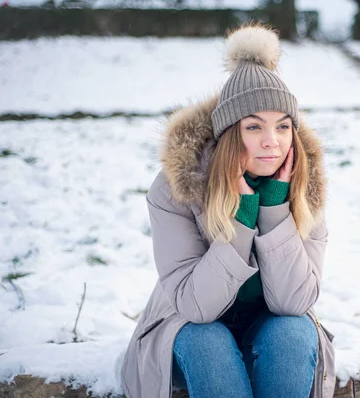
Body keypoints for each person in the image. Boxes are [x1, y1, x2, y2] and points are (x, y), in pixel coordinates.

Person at [120, 24, 335, 398]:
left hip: (268, 326)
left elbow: (294, 303)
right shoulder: (178, 188)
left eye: (283, 127)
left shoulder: (305, 189)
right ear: (230, 134)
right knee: (208, 341)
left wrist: (273, 209)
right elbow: (195, 306)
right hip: (188, 329)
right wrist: (241, 218)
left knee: (295, 331)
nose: (272, 142)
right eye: (254, 127)